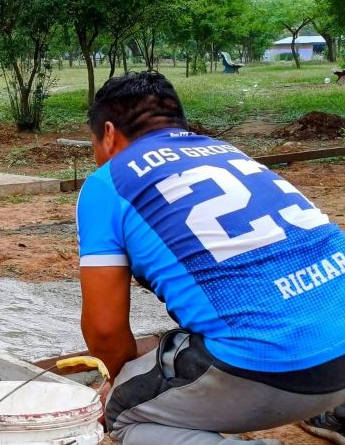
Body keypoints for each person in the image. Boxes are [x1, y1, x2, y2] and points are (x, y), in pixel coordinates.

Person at [76, 71, 345, 445]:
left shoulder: (109, 181)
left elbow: (104, 332)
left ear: (108, 133)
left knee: (119, 413)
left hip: (273, 367)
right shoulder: (229, 154)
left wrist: (123, 383)